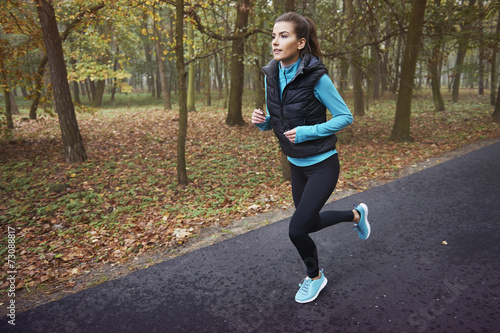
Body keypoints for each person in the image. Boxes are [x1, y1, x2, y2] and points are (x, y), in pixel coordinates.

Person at [251, 12, 371, 304]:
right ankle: (355, 215)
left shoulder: (317, 77)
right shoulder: (272, 74)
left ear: (301, 42)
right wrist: (264, 122)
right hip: (296, 164)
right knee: (311, 223)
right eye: (273, 36)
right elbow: (281, 117)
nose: (276, 43)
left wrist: (308, 132)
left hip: (322, 164)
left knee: (296, 229)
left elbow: (345, 117)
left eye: (284, 36)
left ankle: (315, 277)